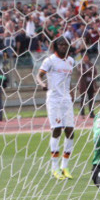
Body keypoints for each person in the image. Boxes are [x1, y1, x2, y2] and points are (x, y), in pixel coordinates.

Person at [35, 37, 76, 180]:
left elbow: (68, 82)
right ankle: (54, 168)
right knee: (57, 129)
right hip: (53, 99)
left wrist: (72, 95)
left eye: (66, 44)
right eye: (61, 44)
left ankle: (65, 166)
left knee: (70, 131)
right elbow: (38, 75)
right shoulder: (50, 60)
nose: (63, 46)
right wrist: (42, 84)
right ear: (56, 46)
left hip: (66, 100)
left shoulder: (71, 61)